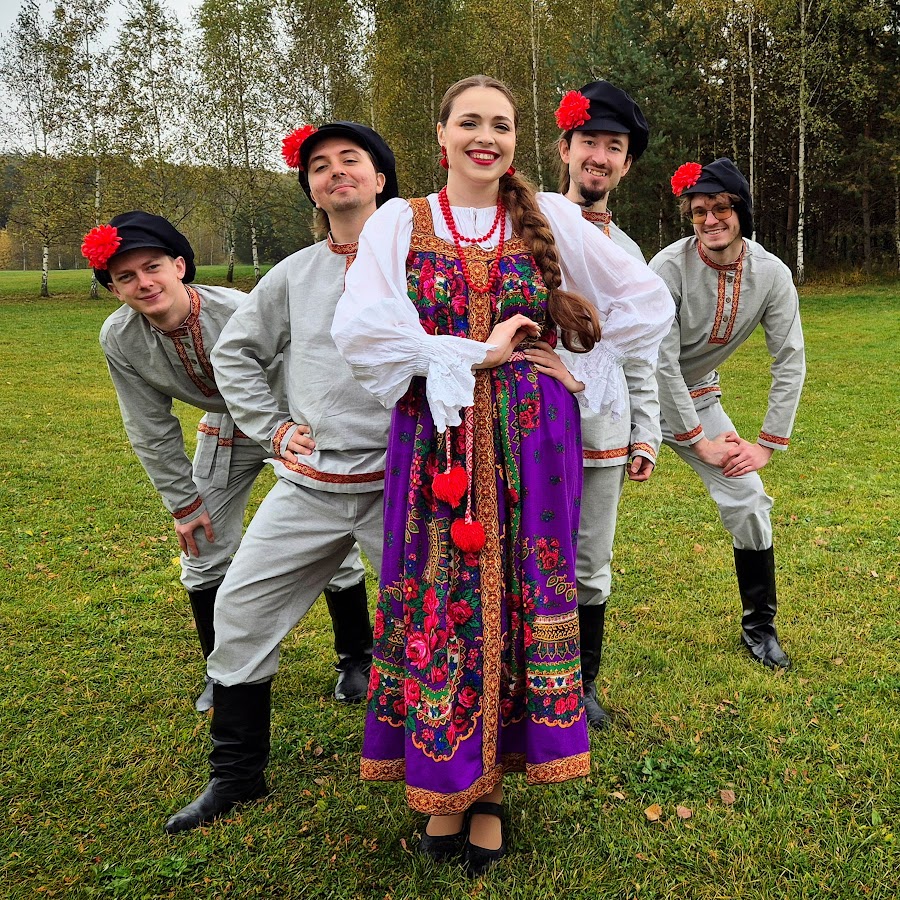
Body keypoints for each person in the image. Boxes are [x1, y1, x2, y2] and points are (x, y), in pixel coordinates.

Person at [331, 75, 674, 875]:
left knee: (520, 596)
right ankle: (450, 785)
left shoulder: (548, 216)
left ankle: (490, 794)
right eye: (470, 123)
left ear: (518, 140)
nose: (485, 137)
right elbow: (362, 332)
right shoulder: (400, 221)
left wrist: (575, 366)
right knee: (442, 598)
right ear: (441, 134)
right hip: (437, 439)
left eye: (502, 125)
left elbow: (644, 302)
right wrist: (471, 355)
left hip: (531, 439)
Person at [163, 121, 398, 834]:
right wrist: (273, 428)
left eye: (351, 160)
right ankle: (237, 776)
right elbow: (235, 353)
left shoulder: (421, 262)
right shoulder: (294, 274)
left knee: (435, 624)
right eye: (319, 167)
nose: (336, 172)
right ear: (313, 193)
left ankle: (445, 772)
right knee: (240, 610)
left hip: (403, 487)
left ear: (380, 178)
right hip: (310, 485)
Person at [88, 213, 369, 712]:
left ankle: (356, 657)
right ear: (113, 289)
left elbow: (309, 363)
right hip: (226, 428)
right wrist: (183, 503)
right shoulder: (120, 337)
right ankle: (222, 673)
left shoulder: (237, 308)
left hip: (292, 422)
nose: (144, 283)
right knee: (201, 542)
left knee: (330, 537)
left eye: (152, 267)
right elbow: (148, 425)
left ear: (179, 266)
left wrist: (292, 430)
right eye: (126, 277)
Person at [649, 157, 806, 670]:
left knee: (749, 499)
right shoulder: (667, 268)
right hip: (631, 397)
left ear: (742, 212)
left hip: (698, 396)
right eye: (699, 211)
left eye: (721, 208)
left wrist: (766, 445)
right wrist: (700, 442)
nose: (710, 220)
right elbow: (659, 361)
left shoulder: (772, 275)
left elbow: (790, 359)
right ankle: (561, 648)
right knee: (586, 516)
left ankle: (760, 627)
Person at [554, 80, 662, 728]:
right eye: (589, 140)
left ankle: (580, 684)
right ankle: (519, 680)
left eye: (613, 146)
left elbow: (640, 356)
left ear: (626, 164)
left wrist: (647, 431)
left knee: (590, 563)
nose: (599, 155)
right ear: (565, 148)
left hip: (602, 430)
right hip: (526, 425)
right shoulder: (530, 229)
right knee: (522, 554)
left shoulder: (628, 254)